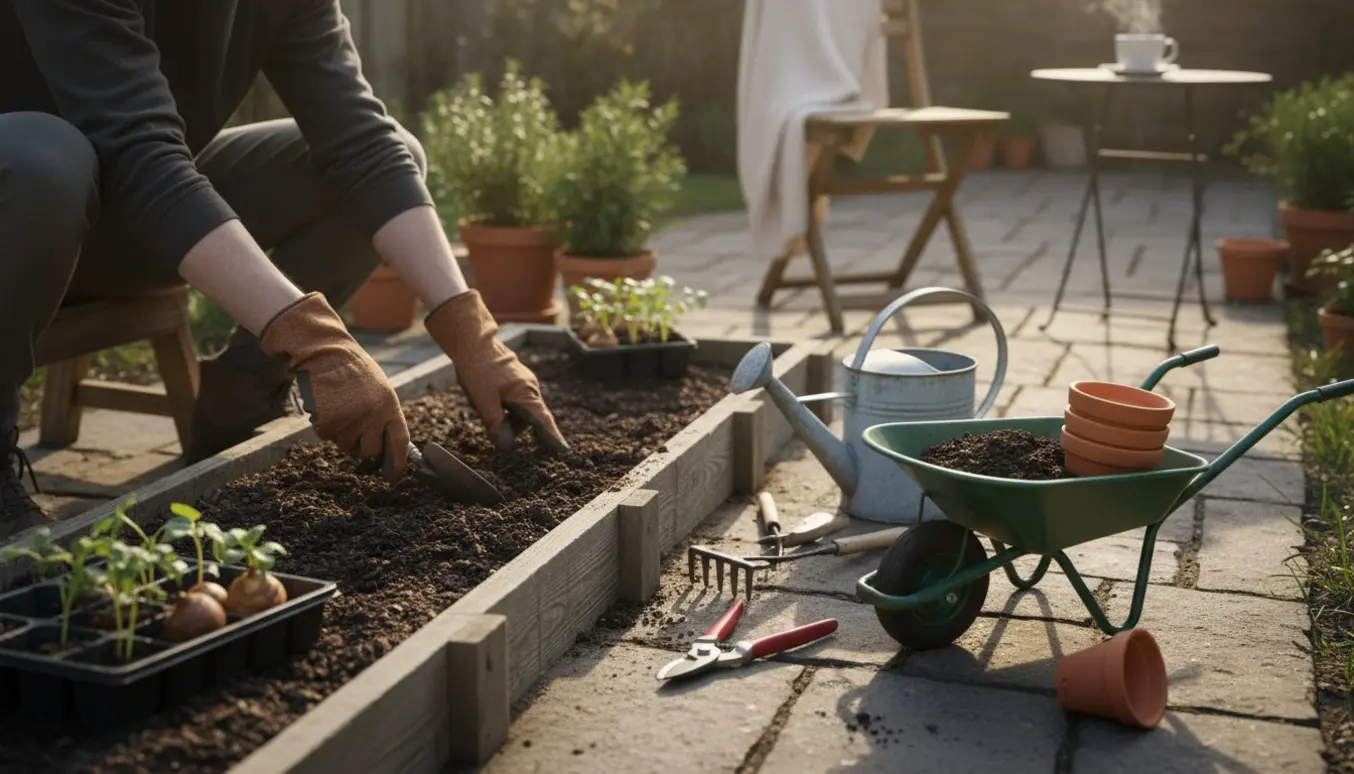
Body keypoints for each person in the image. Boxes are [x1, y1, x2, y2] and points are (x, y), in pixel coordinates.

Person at [0, 0, 569, 538]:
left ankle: (242, 389)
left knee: (386, 159)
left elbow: (362, 145)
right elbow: (140, 157)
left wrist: (470, 331)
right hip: (24, 203)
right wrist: (314, 339)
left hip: (119, 211)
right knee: (49, 161)